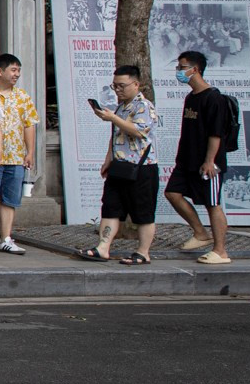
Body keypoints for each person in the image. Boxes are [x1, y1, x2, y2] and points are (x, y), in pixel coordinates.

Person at [163, 50, 233, 265]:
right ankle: (200, 233)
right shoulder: (191, 97)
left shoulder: (214, 98)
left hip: (207, 163)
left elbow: (216, 134)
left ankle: (220, 251)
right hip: (186, 161)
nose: (178, 72)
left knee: (213, 204)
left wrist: (210, 161)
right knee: (173, 193)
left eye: (182, 68)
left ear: (195, 70)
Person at [85, 64, 159, 264]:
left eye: (122, 86)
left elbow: (138, 131)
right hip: (119, 166)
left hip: (141, 168)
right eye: (114, 86)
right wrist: (108, 159)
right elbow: (116, 135)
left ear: (136, 84)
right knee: (110, 207)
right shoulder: (121, 107)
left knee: (143, 212)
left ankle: (143, 252)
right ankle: (103, 247)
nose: (117, 90)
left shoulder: (144, 106)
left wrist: (113, 117)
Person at [0, 53, 40, 254]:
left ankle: (6, 238)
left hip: (16, 156)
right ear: (0, 71)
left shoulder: (22, 96)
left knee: (10, 200)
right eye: (13, 69)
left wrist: (30, 152)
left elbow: (29, 125)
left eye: (18, 70)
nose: (17, 74)